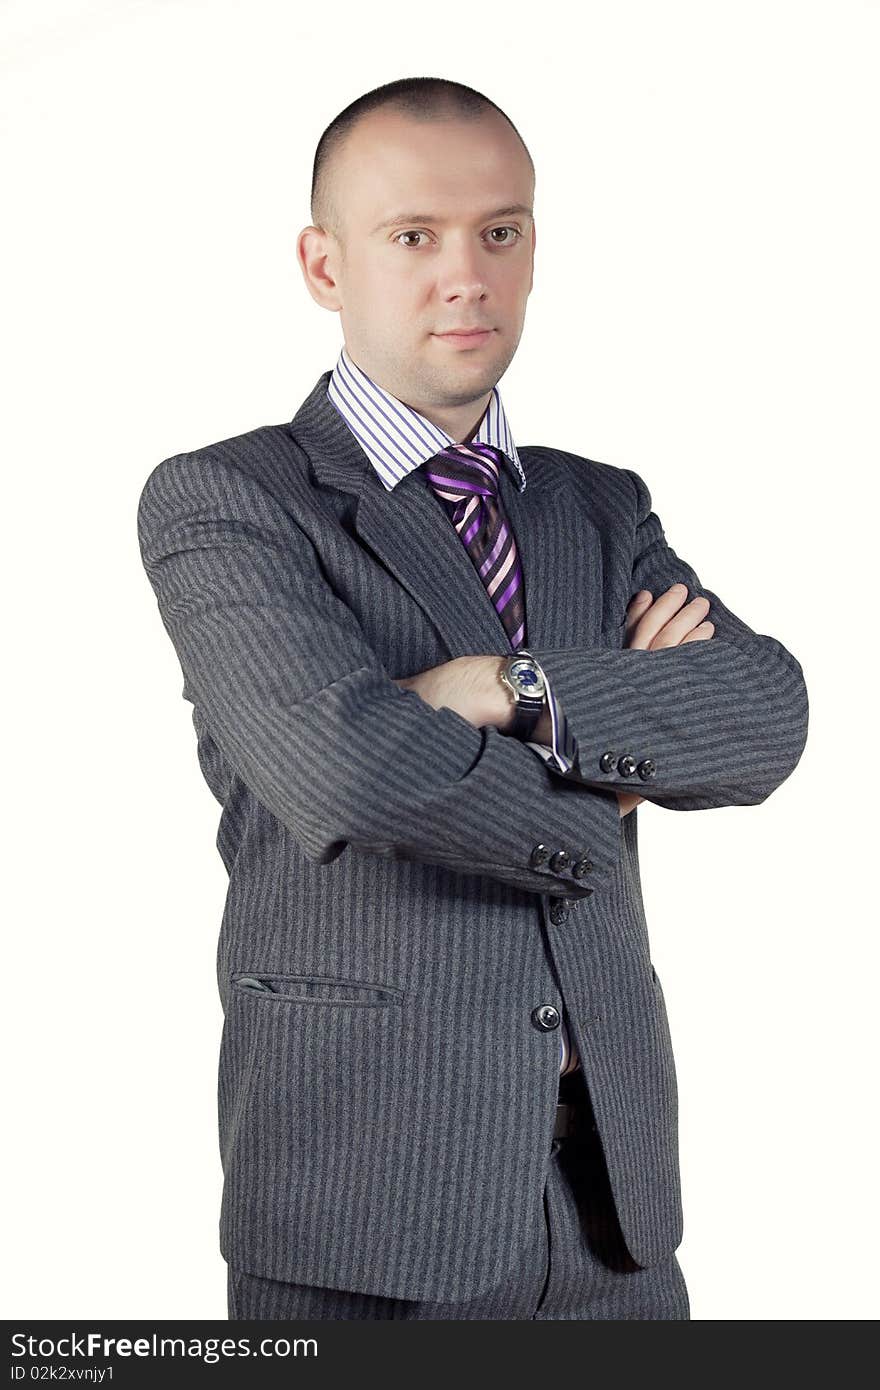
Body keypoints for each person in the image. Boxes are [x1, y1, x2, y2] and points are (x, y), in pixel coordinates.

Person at [136, 76, 809, 1321]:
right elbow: (340, 767)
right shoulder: (229, 502)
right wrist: (603, 771)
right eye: (414, 237)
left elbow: (763, 714)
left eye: (500, 232)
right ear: (322, 264)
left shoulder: (596, 507)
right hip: (370, 1205)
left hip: (613, 1215)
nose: (467, 275)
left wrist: (506, 686)